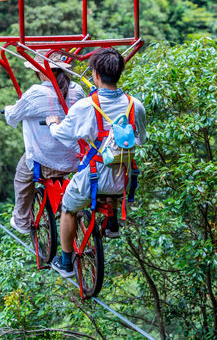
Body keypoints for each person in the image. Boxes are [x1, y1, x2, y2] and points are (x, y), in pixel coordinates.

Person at [45, 47, 146, 277]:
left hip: (94, 178)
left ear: (96, 75)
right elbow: (140, 139)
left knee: (68, 208)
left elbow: (61, 134)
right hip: (124, 180)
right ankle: (111, 223)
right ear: (119, 73)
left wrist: (52, 123)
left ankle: (66, 262)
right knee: (110, 178)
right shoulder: (135, 105)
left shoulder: (85, 107)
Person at [4, 51, 85, 235]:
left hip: (45, 157)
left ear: (40, 72)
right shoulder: (77, 90)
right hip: (74, 158)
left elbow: (14, 114)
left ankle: (22, 220)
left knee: (22, 176)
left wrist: (7, 110)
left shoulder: (36, 93)